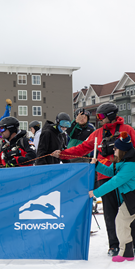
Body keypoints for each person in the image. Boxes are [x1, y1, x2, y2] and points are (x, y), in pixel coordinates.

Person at [52, 103, 135, 256]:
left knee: (129, 210)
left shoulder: (127, 130)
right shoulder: (97, 133)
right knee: (110, 213)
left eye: (101, 116)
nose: (99, 119)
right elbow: (82, 148)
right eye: (97, 116)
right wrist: (63, 154)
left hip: (124, 176)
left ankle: (131, 243)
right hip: (105, 175)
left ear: (110, 115)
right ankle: (113, 245)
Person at [89, 132, 135, 262]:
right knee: (123, 222)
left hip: (132, 198)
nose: (113, 150)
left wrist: (96, 192)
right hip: (129, 198)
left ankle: (126, 252)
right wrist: (97, 164)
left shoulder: (130, 165)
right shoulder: (123, 162)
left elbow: (115, 181)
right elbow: (110, 172)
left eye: (115, 148)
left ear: (122, 150)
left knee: (121, 222)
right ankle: (128, 251)